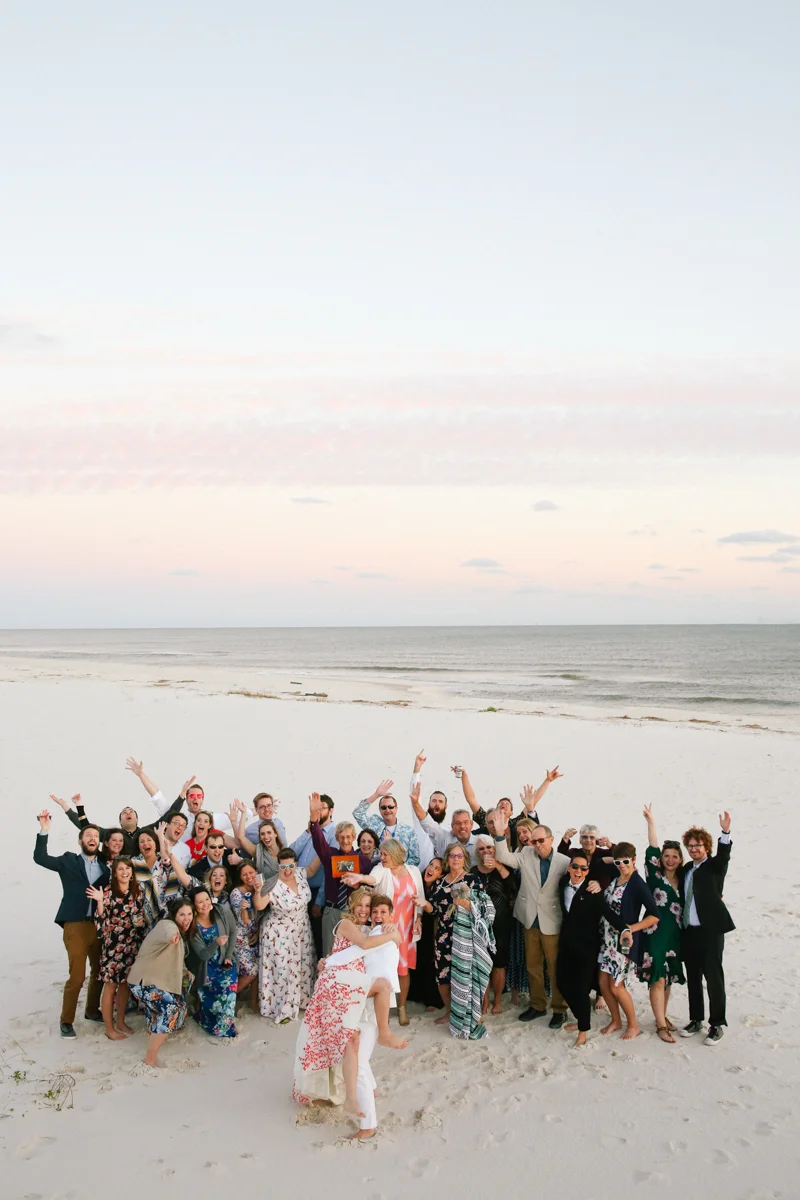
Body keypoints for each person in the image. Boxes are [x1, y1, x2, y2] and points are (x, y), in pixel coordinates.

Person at [293, 889, 407, 1133]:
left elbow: (361, 949)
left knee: (351, 1042)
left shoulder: (370, 929)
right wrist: (393, 933)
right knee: (383, 987)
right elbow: (363, 945)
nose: (366, 911)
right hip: (339, 982)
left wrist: (394, 930)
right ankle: (386, 1032)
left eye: (371, 907)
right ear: (353, 906)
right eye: (362, 906)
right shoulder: (346, 924)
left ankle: (354, 1096)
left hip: (351, 986)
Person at [33, 807, 110, 1038]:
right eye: (88, 836)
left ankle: (91, 1010)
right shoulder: (68, 861)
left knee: (99, 971)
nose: (92, 839)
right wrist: (44, 830)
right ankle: (66, 1021)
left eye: (95, 837)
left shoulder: (105, 868)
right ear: (80, 841)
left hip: (98, 925)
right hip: (75, 925)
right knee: (77, 976)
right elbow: (40, 858)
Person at [492, 814, 571, 1027]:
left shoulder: (565, 862)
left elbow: (580, 878)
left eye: (541, 841)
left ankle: (559, 1009)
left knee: (555, 968)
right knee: (533, 966)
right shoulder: (526, 853)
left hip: (552, 921)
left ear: (551, 839)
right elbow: (504, 857)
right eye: (534, 841)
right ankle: (537, 1005)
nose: (537, 845)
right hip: (529, 920)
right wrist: (500, 836)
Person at [343, 837, 425, 1026]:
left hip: (406, 928)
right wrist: (360, 877)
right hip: (385, 928)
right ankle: (383, 1009)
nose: (382, 857)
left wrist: (419, 918)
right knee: (382, 967)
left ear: (395, 853)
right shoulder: (382, 869)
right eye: (381, 854)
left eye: (385, 854)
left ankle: (402, 1007)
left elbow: (420, 896)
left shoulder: (413, 872)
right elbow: (373, 879)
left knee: (403, 970)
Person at [678, 812, 734, 1046]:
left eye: (697, 846)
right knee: (693, 978)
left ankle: (717, 1024)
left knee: (713, 978)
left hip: (710, 931)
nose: (693, 849)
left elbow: (724, 856)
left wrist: (725, 833)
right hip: (689, 931)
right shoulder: (687, 869)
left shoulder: (714, 866)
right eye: (690, 846)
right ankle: (696, 1020)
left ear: (706, 846)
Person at [598, 842, 660, 1041]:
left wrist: (630, 928)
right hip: (606, 940)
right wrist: (613, 858)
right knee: (603, 983)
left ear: (634, 860)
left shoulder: (637, 884)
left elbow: (654, 915)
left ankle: (633, 1025)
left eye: (626, 861)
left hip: (623, 943)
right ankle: (616, 1021)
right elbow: (599, 862)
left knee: (617, 986)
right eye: (618, 862)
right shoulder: (617, 876)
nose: (622, 865)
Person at [422, 844, 488, 1026]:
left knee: (468, 976)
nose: (456, 859)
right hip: (444, 935)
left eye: (459, 856)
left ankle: (474, 1016)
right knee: (443, 976)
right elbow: (433, 910)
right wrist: (423, 903)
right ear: (447, 859)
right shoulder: (439, 883)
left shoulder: (473, 880)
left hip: (466, 934)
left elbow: (483, 908)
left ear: (464, 858)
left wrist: (467, 905)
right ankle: (450, 1012)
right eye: (452, 856)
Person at [128, 897, 196, 1066]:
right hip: (143, 982)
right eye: (182, 914)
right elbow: (168, 934)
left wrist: (185, 972)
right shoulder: (168, 926)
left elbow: (175, 957)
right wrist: (172, 937)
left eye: (189, 914)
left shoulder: (181, 931)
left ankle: (154, 1030)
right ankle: (150, 1058)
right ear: (174, 915)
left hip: (155, 981)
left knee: (181, 1006)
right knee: (171, 1010)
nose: (186, 918)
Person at [254, 847, 317, 1023]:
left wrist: (324, 846)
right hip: (279, 933)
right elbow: (259, 905)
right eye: (283, 867)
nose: (287, 870)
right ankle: (282, 1007)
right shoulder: (271, 883)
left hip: (302, 930)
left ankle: (302, 1001)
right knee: (282, 970)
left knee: (302, 967)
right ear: (277, 867)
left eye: (290, 866)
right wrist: (258, 890)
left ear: (295, 864)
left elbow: (313, 868)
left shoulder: (301, 874)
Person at [87, 856, 147, 1040]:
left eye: (127, 869)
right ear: (114, 872)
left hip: (132, 944)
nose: (125, 872)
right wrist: (99, 902)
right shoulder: (106, 892)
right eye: (120, 869)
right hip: (113, 945)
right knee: (111, 985)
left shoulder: (138, 891)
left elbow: (141, 918)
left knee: (125, 985)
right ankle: (109, 1028)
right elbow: (101, 921)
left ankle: (120, 1021)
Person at [641, 804, 686, 1043]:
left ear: (680, 859)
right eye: (666, 856)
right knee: (658, 977)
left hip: (675, 935)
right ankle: (660, 1024)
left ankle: (663, 1015)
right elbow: (652, 846)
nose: (669, 859)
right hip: (655, 933)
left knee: (668, 978)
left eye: (674, 856)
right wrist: (651, 822)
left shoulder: (685, 878)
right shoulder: (654, 874)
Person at [308, 793, 374, 954]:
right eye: (341, 837)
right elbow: (318, 841)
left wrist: (359, 884)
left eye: (348, 837)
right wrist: (313, 817)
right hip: (332, 912)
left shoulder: (363, 861)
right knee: (329, 954)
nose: (345, 840)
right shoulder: (330, 855)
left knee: (352, 954)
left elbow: (371, 886)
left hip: (353, 912)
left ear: (353, 837)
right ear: (337, 838)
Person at [555, 852, 604, 1047]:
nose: (578, 871)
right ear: (569, 868)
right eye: (575, 867)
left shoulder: (592, 890)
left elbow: (606, 911)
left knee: (581, 989)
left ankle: (583, 1029)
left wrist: (625, 929)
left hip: (587, 947)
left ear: (588, 872)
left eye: (583, 868)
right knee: (562, 983)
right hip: (566, 943)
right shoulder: (563, 884)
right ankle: (580, 1018)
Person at [126, 759, 234, 843]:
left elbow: (241, 815)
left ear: (203, 799)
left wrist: (251, 809)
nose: (195, 798)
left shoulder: (213, 819)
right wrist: (141, 775)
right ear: (186, 799)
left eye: (199, 796)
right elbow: (158, 797)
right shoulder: (177, 817)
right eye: (192, 795)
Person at [458, 766, 563, 850]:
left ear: (511, 813)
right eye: (501, 803)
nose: (503, 804)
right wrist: (464, 776)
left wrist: (548, 780)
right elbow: (471, 799)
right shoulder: (487, 820)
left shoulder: (517, 825)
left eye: (507, 804)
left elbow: (532, 802)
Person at [469, 835, 517, 1015]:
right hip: (479, 926)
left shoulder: (503, 870)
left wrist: (497, 865)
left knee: (498, 965)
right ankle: (483, 1001)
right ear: (477, 852)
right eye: (481, 849)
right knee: (481, 964)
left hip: (501, 925)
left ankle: (497, 1000)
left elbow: (514, 887)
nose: (486, 851)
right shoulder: (473, 871)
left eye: (489, 847)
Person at [189, 886, 238, 1038]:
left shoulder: (222, 910)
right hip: (207, 966)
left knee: (227, 991)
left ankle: (224, 1027)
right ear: (194, 905)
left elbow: (232, 931)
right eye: (200, 902)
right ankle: (204, 1019)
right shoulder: (193, 925)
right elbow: (203, 955)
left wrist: (228, 956)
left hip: (225, 960)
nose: (205, 904)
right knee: (210, 996)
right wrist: (216, 942)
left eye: (206, 899)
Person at [49, 791, 146, 858]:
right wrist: (66, 806)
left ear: (137, 819)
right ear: (120, 822)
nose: (128, 813)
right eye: (124, 813)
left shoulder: (146, 834)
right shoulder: (113, 835)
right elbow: (86, 827)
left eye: (131, 812)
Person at [352, 778, 420, 865]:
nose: (387, 810)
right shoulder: (373, 825)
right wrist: (376, 795)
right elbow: (358, 813)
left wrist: (397, 869)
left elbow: (415, 859)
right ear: (380, 810)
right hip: (376, 873)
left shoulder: (408, 831)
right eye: (383, 807)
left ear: (396, 808)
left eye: (390, 807)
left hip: (399, 875)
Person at [505, 818, 536, 1005]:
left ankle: (535, 993)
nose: (523, 835)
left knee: (533, 955)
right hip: (517, 911)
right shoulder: (517, 854)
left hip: (536, 913)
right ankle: (515, 991)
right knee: (516, 952)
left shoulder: (542, 853)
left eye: (526, 831)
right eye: (520, 833)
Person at [407, 857, 444, 1011]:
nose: (431, 869)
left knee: (429, 961)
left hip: (432, 929)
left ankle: (433, 1001)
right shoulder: (416, 883)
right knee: (416, 958)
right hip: (414, 927)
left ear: (441, 875)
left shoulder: (439, 889)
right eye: (431, 865)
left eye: (437, 869)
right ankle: (415, 994)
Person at [409, 781, 478, 862]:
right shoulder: (444, 837)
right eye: (458, 823)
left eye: (465, 822)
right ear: (452, 826)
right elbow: (426, 822)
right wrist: (415, 803)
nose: (462, 826)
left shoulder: (480, 843)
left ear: (471, 824)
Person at [131, 825, 181, 930]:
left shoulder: (162, 861)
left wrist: (160, 835)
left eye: (149, 840)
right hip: (140, 913)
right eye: (142, 841)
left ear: (155, 843)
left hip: (165, 910)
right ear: (138, 846)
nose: (145, 844)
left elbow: (166, 862)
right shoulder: (134, 862)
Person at [229, 862, 261, 1009]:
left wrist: (258, 931)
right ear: (240, 877)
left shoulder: (260, 888)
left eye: (251, 872)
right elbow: (244, 921)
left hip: (256, 935)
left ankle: (253, 1003)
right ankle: (228, 998)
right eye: (244, 874)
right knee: (251, 972)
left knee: (258, 968)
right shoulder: (237, 893)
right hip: (241, 938)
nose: (249, 877)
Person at [557, 824, 616, 889]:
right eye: (584, 837)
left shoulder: (604, 854)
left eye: (592, 837)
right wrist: (565, 838)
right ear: (580, 840)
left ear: (596, 841)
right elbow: (560, 857)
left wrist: (610, 845)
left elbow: (623, 857)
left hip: (598, 894)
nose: (588, 840)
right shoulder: (574, 853)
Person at [409, 749, 448, 823]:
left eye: (440, 801)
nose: (437, 804)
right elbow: (414, 789)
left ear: (446, 806)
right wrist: (417, 767)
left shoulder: (448, 830)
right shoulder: (420, 819)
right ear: (429, 804)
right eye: (434, 801)